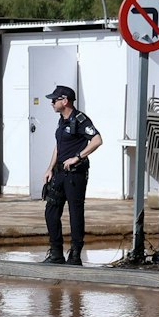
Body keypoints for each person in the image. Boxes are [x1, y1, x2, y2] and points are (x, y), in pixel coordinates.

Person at [42, 84, 101, 264]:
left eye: (55, 99)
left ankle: (75, 254)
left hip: (75, 174)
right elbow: (59, 146)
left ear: (65, 101)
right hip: (59, 172)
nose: (52, 102)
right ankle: (56, 252)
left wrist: (77, 157)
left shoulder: (80, 119)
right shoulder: (62, 120)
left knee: (75, 213)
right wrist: (49, 168)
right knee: (51, 211)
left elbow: (97, 140)